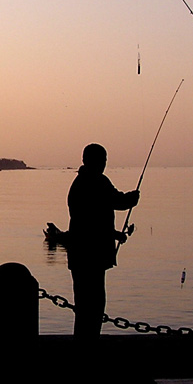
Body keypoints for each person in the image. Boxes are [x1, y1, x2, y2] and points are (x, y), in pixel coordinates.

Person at [66, 143, 139, 341]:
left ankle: (84, 345)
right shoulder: (97, 182)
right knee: (93, 305)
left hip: (80, 253)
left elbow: (91, 222)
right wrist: (133, 198)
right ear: (92, 161)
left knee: (84, 306)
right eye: (103, 159)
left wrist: (114, 235)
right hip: (91, 256)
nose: (105, 163)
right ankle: (88, 348)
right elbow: (118, 202)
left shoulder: (81, 183)